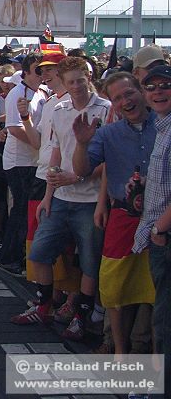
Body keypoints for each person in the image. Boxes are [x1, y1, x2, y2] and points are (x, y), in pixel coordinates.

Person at [11, 57, 110, 341]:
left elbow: (110, 160)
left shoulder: (106, 110)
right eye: (71, 82)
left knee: (89, 262)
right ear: (64, 84)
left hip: (89, 199)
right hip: (61, 197)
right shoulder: (61, 109)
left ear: (89, 78)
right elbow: (55, 151)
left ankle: (81, 315)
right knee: (39, 252)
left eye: (81, 80)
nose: (77, 86)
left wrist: (78, 177)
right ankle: (44, 305)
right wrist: (48, 194)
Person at [72, 72, 155, 355]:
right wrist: (82, 144)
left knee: (153, 291)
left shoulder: (165, 126)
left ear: (141, 92)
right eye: (117, 98)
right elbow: (82, 171)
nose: (124, 101)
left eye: (128, 93)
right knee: (115, 290)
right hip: (123, 218)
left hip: (159, 218)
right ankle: (119, 349)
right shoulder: (107, 133)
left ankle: (142, 353)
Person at [131, 64, 171, 388]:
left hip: (166, 238)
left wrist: (159, 229)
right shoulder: (162, 127)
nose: (158, 92)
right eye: (151, 86)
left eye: (165, 85)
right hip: (161, 235)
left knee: (166, 321)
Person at [0, 53, 48, 276]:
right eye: (38, 70)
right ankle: (8, 256)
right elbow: (15, 128)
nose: (42, 74)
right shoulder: (18, 92)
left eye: (44, 70)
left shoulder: (42, 94)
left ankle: (17, 253)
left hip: (34, 161)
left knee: (26, 210)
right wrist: (39, 144)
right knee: (20, 209)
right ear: (26, 71)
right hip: (20, 161)